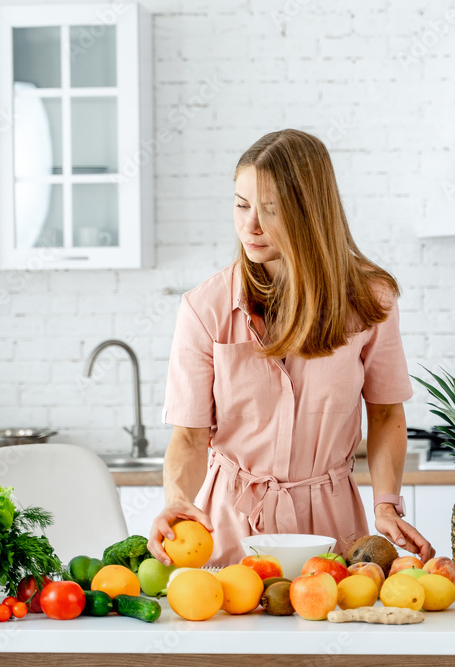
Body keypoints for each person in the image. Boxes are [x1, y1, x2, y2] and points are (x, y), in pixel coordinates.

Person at [148, 129, 434, 568]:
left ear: (310, 214)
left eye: (271, 210)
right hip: (229, 530)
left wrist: (386, 502)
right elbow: (189, 437)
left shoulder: (369, 301)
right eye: (242, 206)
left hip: (330, 529)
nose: (251, 225)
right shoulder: (205, 308)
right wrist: (176, 499)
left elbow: (385, 412)